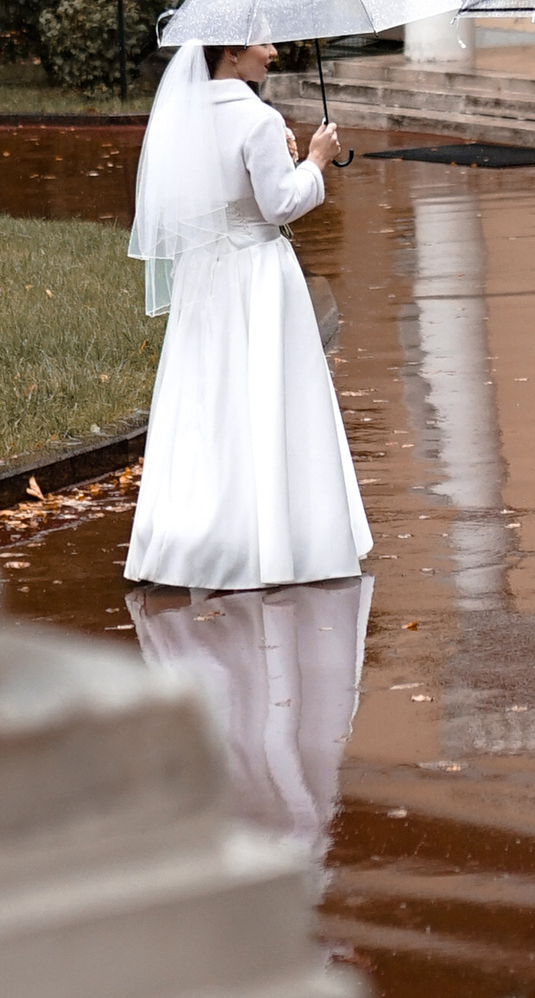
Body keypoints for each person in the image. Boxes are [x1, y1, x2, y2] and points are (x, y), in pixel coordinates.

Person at [124, 37, 372, 590]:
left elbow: (195, 198)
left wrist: (280, 159)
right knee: (267, 395)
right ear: (232, 54)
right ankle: (281, 540)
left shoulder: (181, 117)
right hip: (257, 274)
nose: (274, 52)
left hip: (203, 274)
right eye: (262, 42)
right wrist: (314, 162)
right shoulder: (258, 119)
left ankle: (194, 537)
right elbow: (279, 205)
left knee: (210, 398)